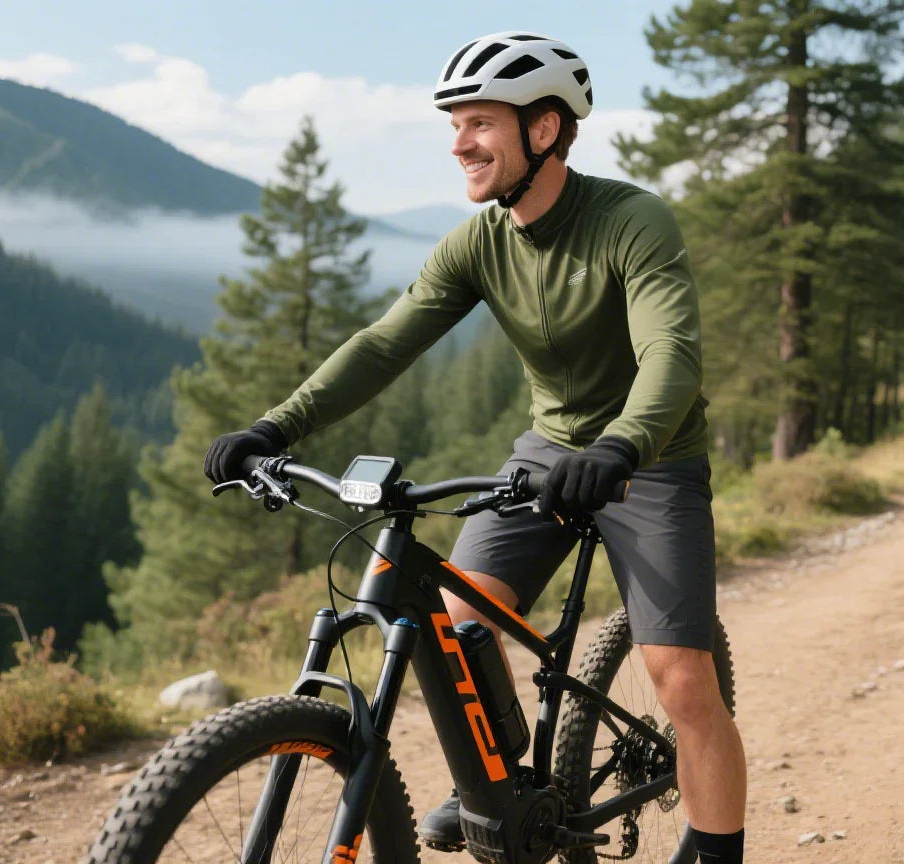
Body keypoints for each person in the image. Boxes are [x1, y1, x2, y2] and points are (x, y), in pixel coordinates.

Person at [203, 30, 747, 864]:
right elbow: (384, 344)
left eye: (481, 122)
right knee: (459, 626)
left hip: (653, 457)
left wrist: (624, 446)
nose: (459, 142)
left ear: (546, 129)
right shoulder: (480, 242)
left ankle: (717, 851)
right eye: (455, 124)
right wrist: (277, 426)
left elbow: (671, 353)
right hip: (548, 451)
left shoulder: (630, 220)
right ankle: (493, 784)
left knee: (680, 673)